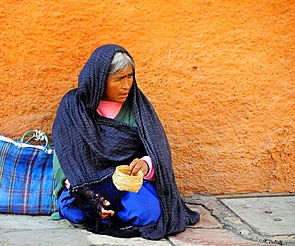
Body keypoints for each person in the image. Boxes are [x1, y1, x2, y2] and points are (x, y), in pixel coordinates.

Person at [52, 44, 199, 239]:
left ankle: (110, 214)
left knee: (149, 212)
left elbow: (158, 152)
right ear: (100, 80)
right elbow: (66, 156)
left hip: (125, 184)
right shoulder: (74, 107)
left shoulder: (138, 108)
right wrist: (89, 195)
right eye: (119, 78)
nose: (126, 85)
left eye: (130, 77)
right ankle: (103, 211)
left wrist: (145, 166)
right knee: (76, 211)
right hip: (83, 184)